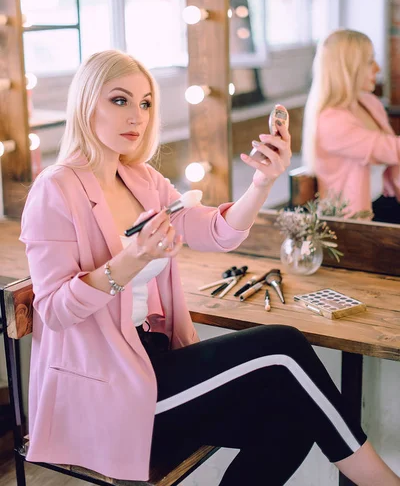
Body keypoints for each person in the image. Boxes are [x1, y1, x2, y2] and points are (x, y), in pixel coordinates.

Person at [20, 50, 399, 486]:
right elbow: (54, 310)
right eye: (120, 100)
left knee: (293, 415)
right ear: (87, 104)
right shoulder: (55, 189)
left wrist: (262, 183)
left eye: (145, 103)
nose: (137, 116)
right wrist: (130, 260)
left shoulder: (141, 179)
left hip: (156, 361)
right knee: (283, 344)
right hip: (109, 390)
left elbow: (216, 232)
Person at [302, 28, 400, 222]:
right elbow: (389, 149)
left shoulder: (369, 103)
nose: (377, 68)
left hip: (383, 200)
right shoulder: (331, 121)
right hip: (354, 219)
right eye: (370, 61)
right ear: (348, 68)